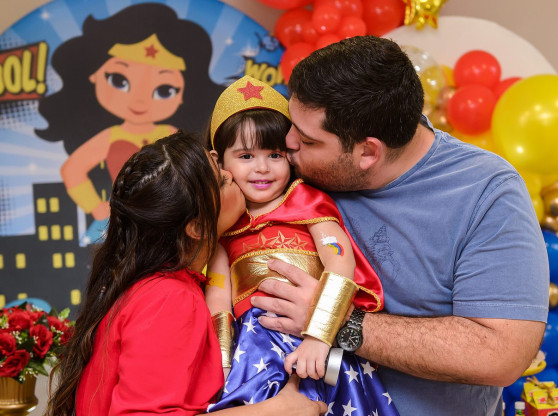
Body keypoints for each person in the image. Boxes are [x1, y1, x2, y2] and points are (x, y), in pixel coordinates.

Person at [250, 36, 549, 416]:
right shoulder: (291, 167)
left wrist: (335, 318)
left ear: (367, 151)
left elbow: (501, 354)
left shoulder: (486, 192)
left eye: (308, 140)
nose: (287, 143)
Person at [43, 131, 327, 416]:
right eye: (222, 180)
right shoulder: (168, 298)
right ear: (198, 227)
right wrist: (277, 410)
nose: (231, 174)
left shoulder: (151, 288)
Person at [204, 75, 399, 416]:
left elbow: (340, 261)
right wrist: (220, 365)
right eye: (246, 155)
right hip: (254, 351)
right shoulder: (225, 226)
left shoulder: (307, 202)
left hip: (319, 344)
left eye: (274, 154)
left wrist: (319, 335)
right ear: (218, 161)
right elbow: (218, 296)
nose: (262, 168)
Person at [35, 3, 224, 244]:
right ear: (93, 75)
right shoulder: (112, 137)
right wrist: (97, 207)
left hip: (171, 225)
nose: (139, 100)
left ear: (183, 93)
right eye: (119, 80)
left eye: (164, 89)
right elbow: (72, 169)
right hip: (126, 224)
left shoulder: (172, 136)